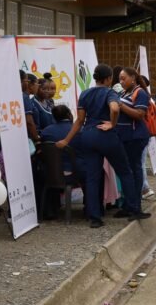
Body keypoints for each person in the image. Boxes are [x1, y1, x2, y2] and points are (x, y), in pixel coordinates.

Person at [55, 64, 149, 228]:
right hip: (106, 136)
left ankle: (95, 217)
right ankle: (134, 209)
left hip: (88, 136)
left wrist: (66, 140)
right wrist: (112, 124)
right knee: (125, 171)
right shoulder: (110, 93)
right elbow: (114, 108)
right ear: (109, 79)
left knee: (92, 177)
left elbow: (79, 121)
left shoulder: (85, 93)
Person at [115, 68, 152, 217]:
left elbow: (139, 114)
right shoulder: (124, 93)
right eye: (120, 78)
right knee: (127, 172)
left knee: (135, 171)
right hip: (124, 137)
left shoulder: (140, 93)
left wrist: (121, 105)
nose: (121, 81)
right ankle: (128, 205)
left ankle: (136, 206)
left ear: (133, 78)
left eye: (124, 78)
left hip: (135, 137)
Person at [40, 105, 74, 219]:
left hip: (50, 174)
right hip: (71, 174)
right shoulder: (76, 130)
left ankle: (50, 210)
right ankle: (91, 209)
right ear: (69, 114)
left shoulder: (46, 131)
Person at [20, 71, 40, 144]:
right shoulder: (25, 98)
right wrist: (36, 138)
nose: (38, 86)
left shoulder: (25, 97)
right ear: (31, 85)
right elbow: (29, 121)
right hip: (29, 137)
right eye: (37, 84)